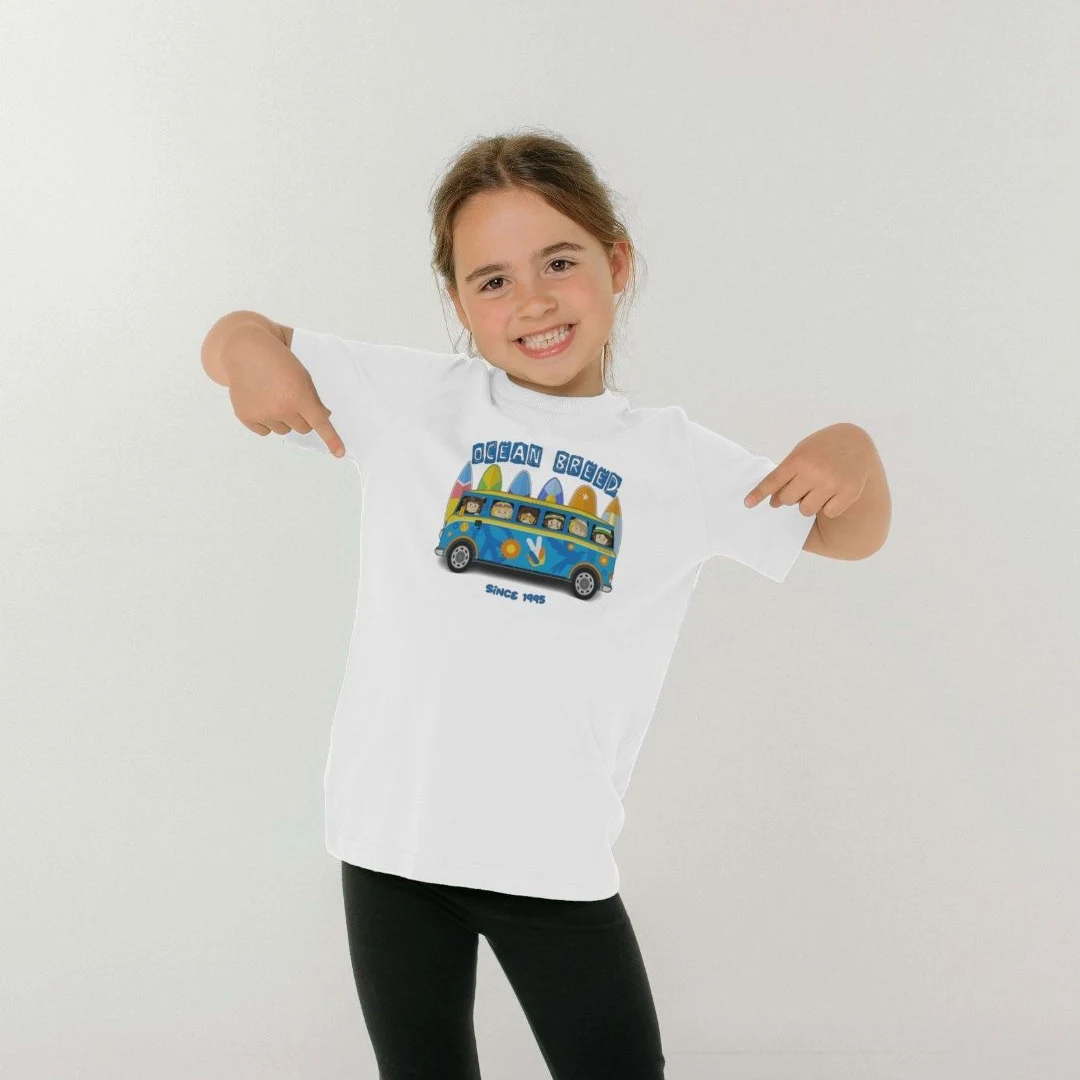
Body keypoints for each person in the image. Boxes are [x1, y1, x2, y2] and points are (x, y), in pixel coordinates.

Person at [201, 130, 889, 1080]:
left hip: (552, 860)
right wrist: (247, 353)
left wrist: (856, 451)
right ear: (457, 303)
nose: (531, 300)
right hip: (391, 842)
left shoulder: (675, 461)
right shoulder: (411, 402)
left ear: (617, 263)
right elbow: (238, 335)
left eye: (559, 262)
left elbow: (847, 536)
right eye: (493, 280)